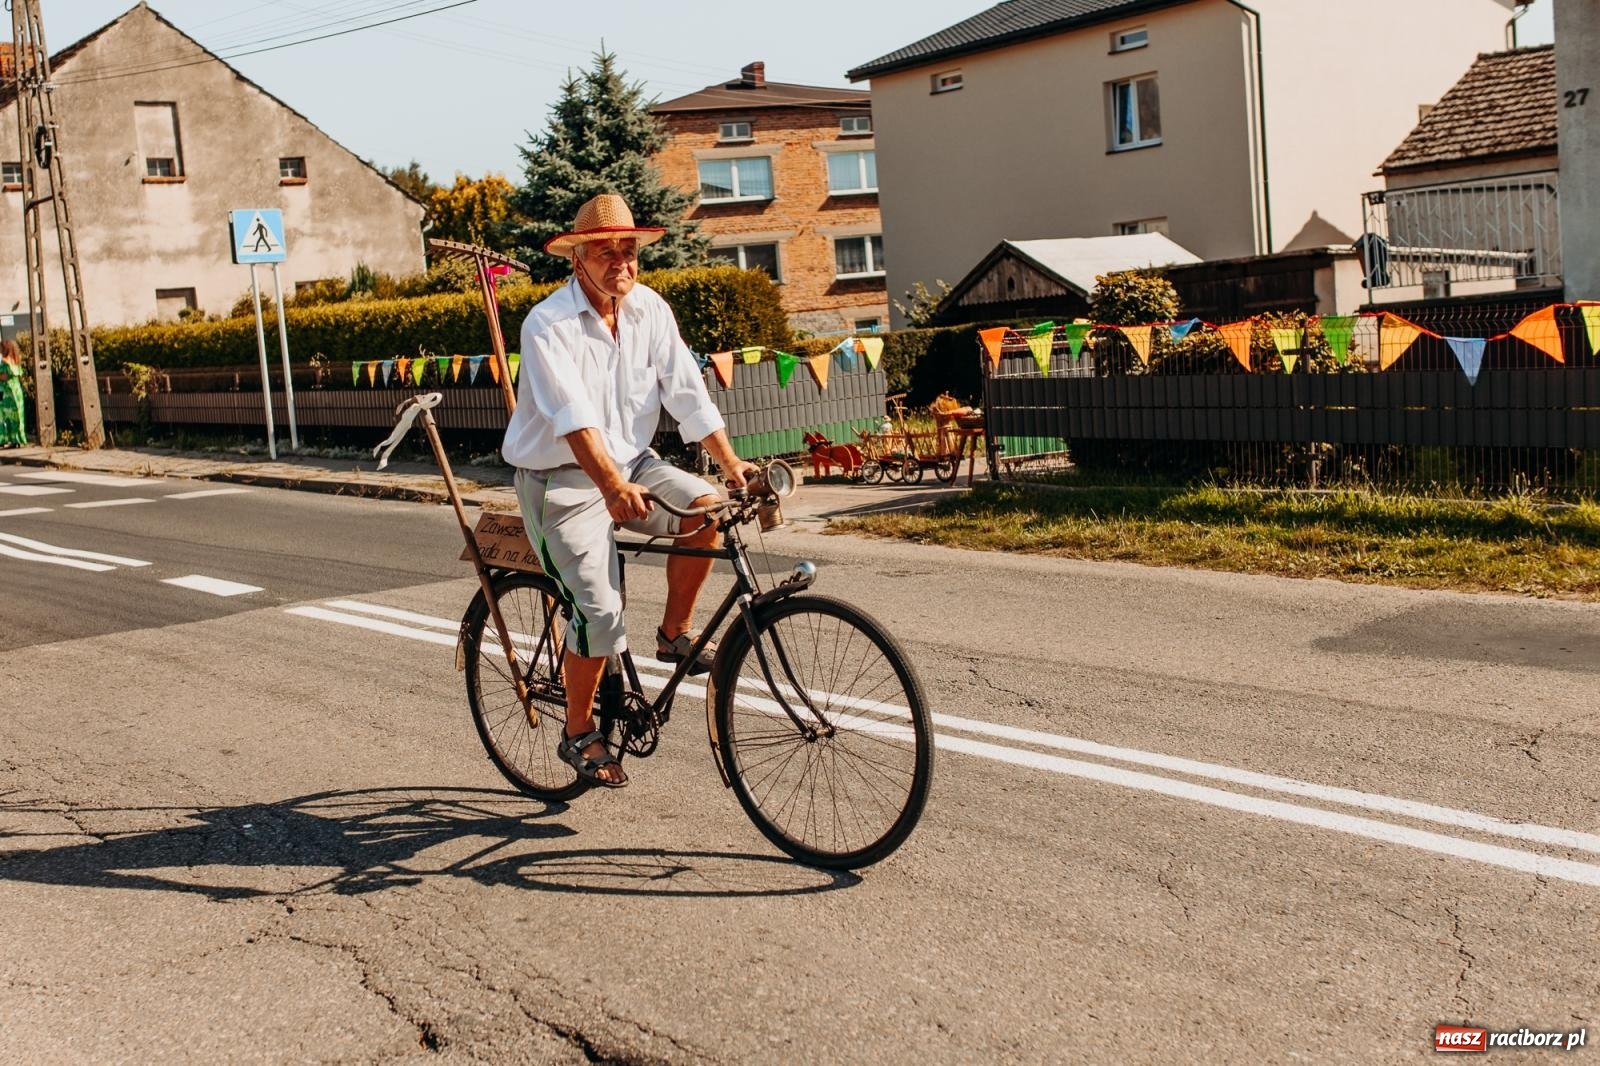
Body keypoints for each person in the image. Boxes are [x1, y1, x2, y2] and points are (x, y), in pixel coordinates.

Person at [501, 193, 756, 789]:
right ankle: (579, 730)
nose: (621, 261)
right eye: (605, 250)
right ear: (577, 259)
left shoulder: (649, 309)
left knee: (706, 508)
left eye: (629, 249)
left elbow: (688, 394)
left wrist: (732, 464)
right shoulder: (548, 324)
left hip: (632, 461)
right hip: (559, 478)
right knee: (599, 610)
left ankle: (673, 636)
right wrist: (610, 487)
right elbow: (572, 418)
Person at [0, 340, 27, 448]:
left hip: (6, 392)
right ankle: (17, 439)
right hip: (16, 392)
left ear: (5, 349)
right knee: (17, 415)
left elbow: (4, 377)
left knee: (4, 415)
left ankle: (5, 439)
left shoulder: (5, 362)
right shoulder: (16, 361)